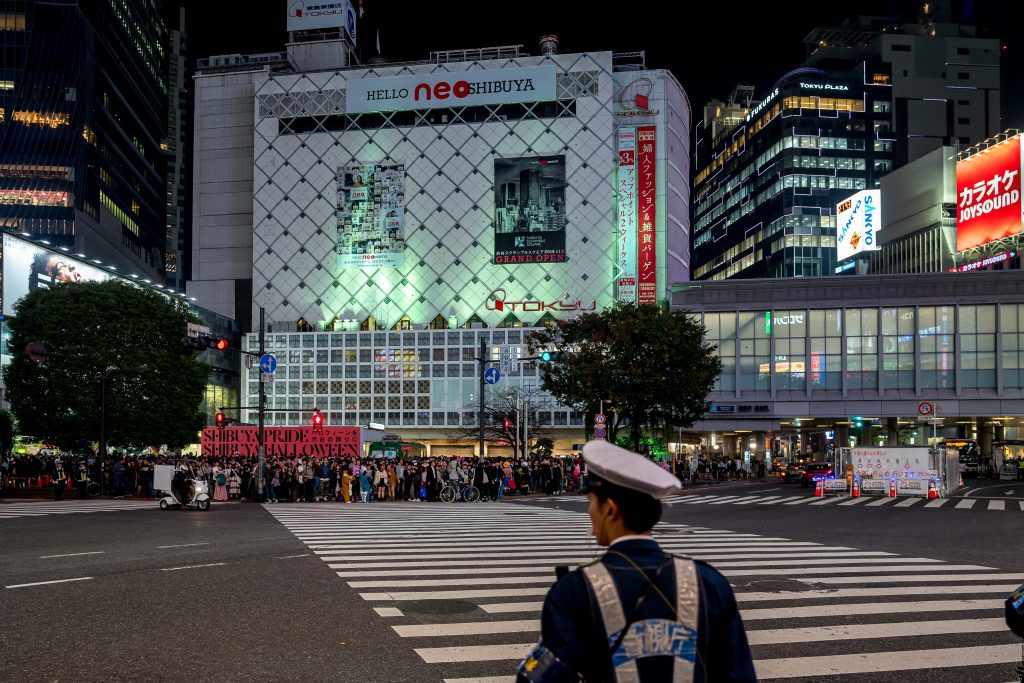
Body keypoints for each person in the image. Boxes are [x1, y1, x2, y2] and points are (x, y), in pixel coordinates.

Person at [518, 441, 756, 683]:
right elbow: (740, 674)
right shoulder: (709, 582)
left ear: (611, 510)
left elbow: (537, 678)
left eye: (591, 501)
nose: (589, 511)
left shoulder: (573, 590)